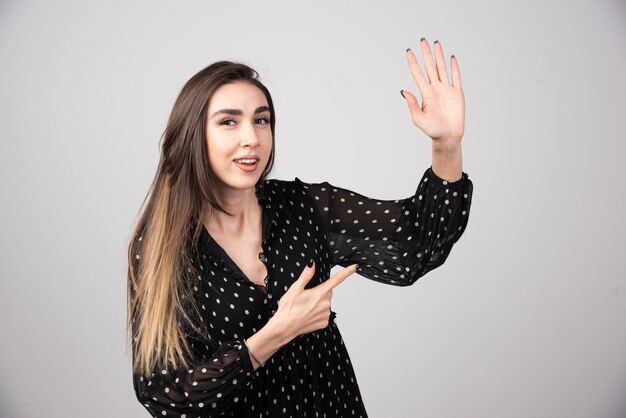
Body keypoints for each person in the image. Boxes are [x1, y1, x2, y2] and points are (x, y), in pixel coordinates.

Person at [128, 38, 473, 417]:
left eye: (262, 120)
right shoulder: (162, 245)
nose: (252, 138)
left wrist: (447, 145)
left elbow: (415, 245)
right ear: (194, 135)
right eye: (229, 121)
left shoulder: (305, 207)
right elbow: (165, 394)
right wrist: (278, 332)